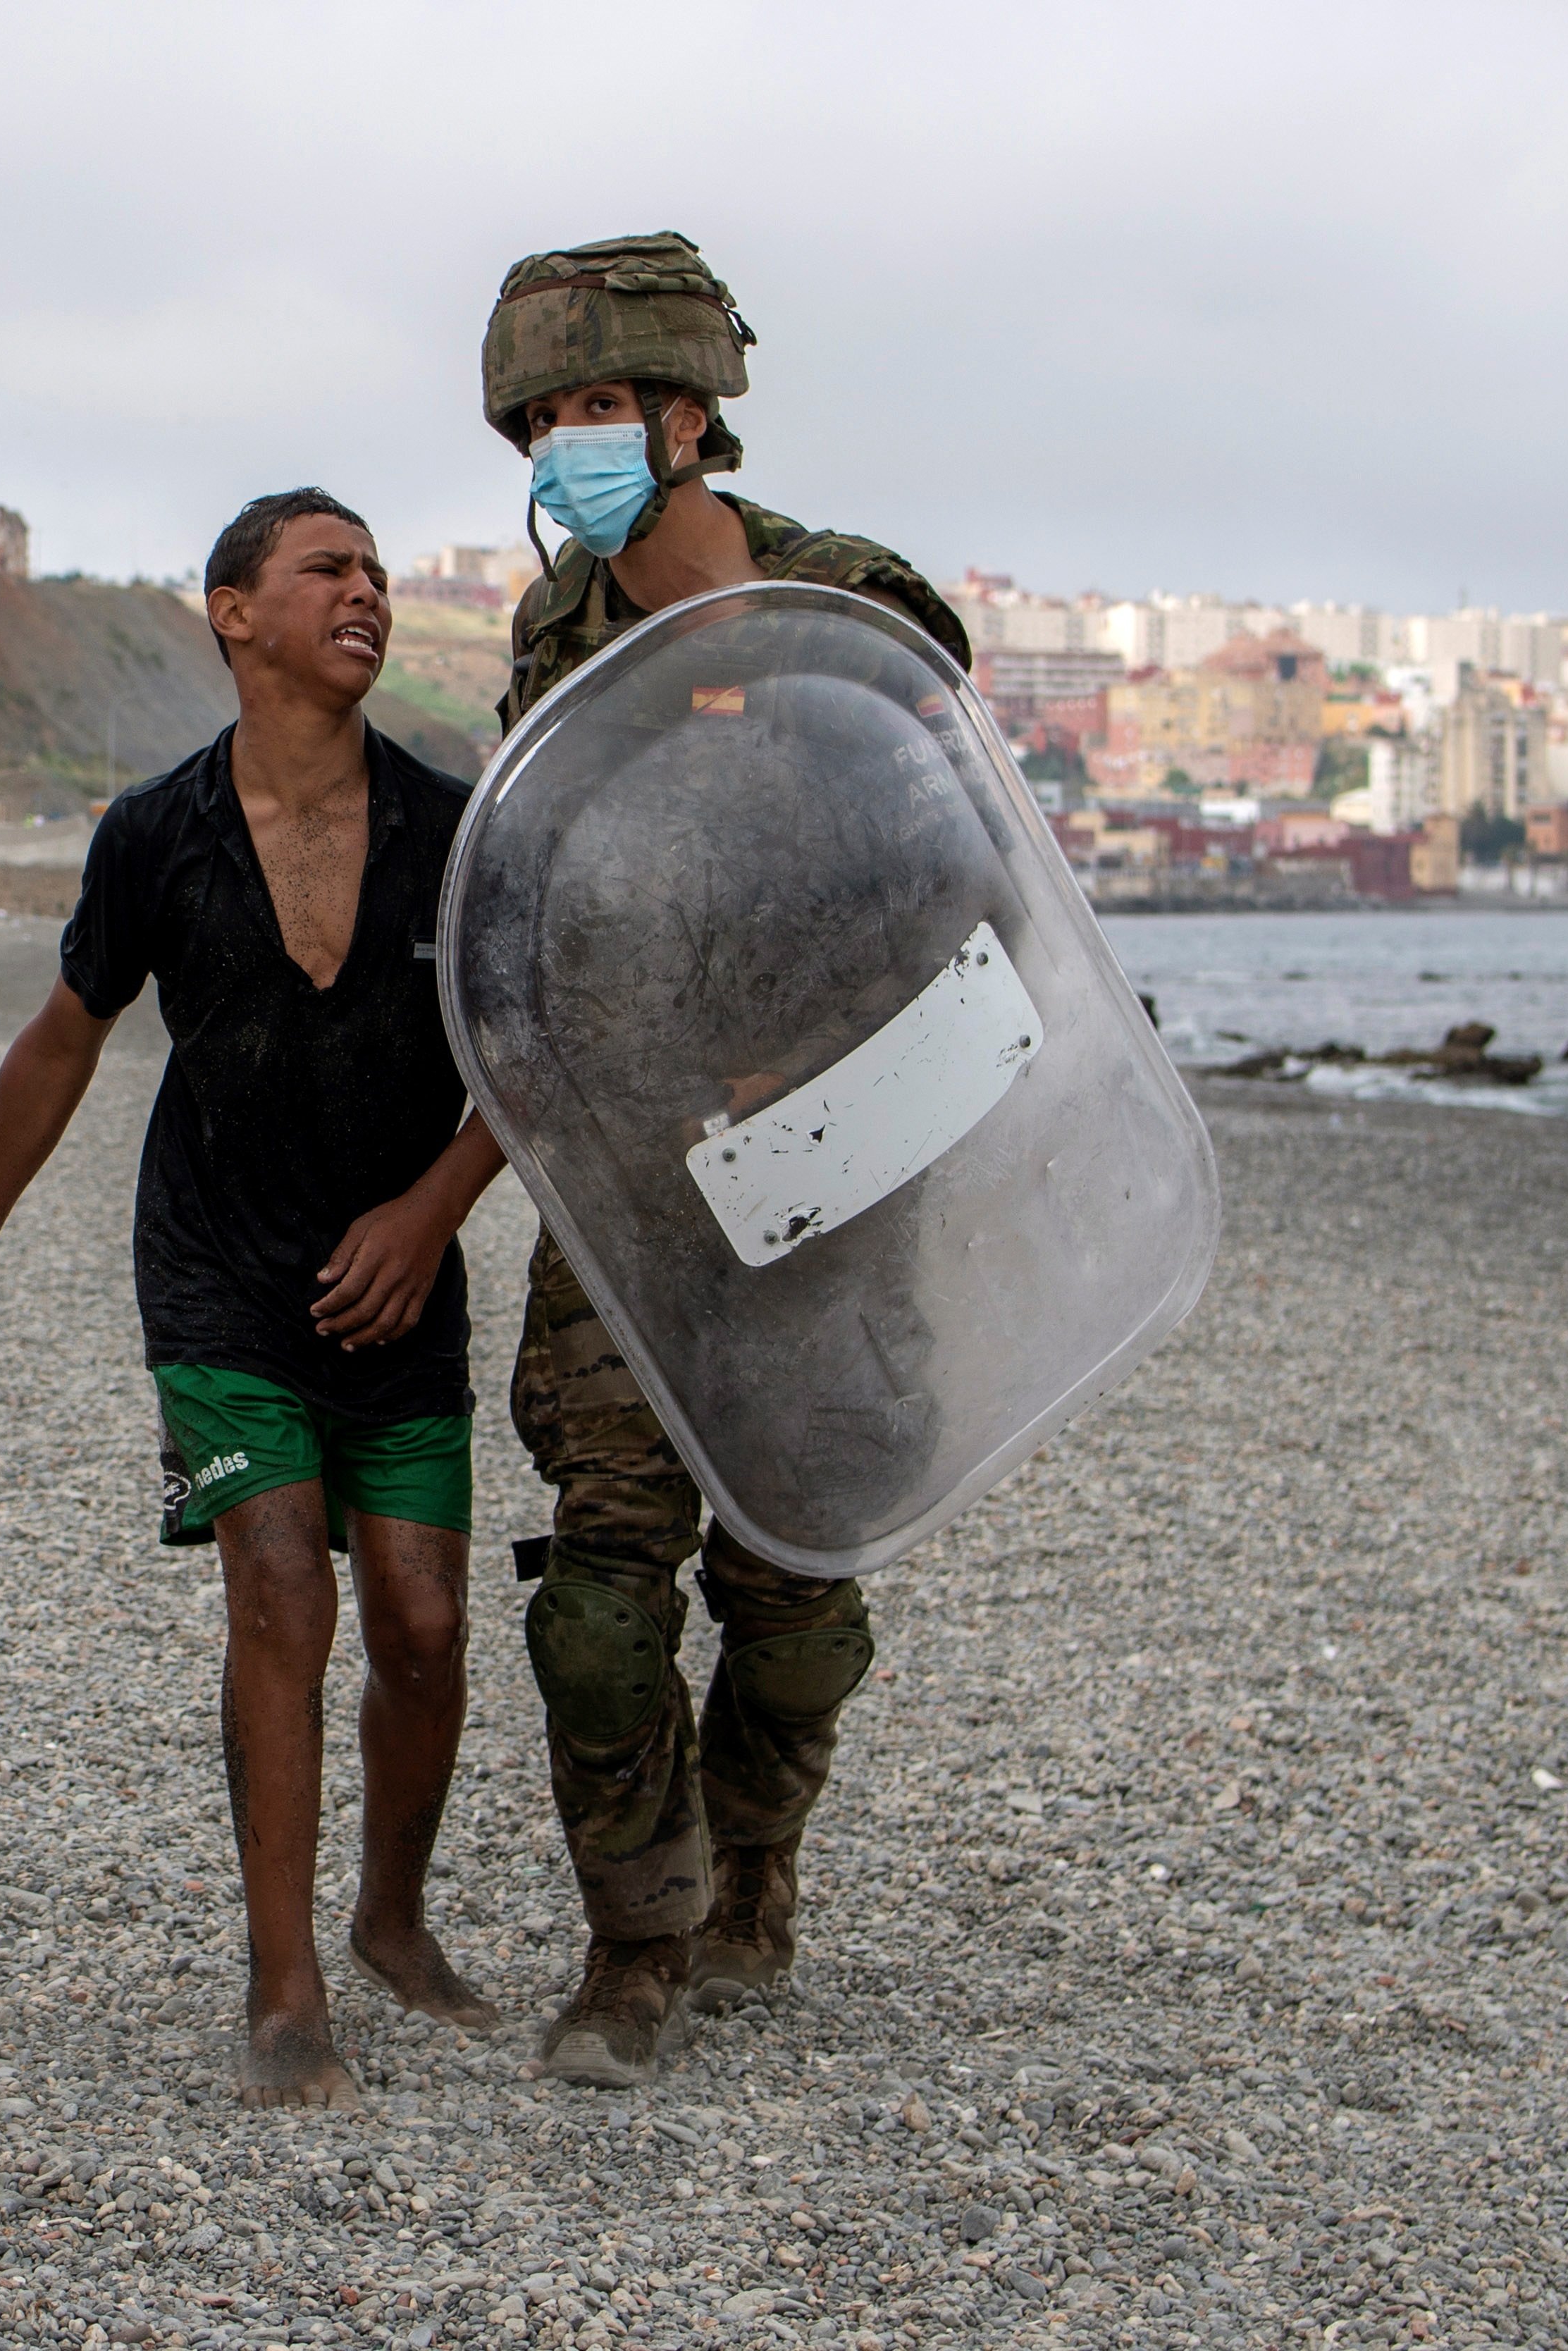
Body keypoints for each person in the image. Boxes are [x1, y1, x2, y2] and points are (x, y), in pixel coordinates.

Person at [0, 490, 505, 2109]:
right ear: (232, 611)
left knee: (422, 1628)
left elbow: (524, 1045)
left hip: (398, 1278)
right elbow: (61, 1042)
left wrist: (428, 1214)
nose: (365, 595)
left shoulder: (452, 824)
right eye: (324, 571)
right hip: (213, 1271)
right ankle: (286, 1995)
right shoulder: (154, 833)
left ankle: (390, 1922)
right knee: (281, 1589)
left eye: (376, 575)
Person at [476, 232, 973, 2087]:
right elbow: (529, 911)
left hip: (830, 1169)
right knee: (601, 1596)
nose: (559, 449)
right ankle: (637, 1942)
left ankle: (759, 1862)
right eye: (536, 420)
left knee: (794, 1582)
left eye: (592, 409)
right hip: (621, 1183)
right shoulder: (555, 646)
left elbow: (960, 883)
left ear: (690, 418)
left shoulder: (855, 615)